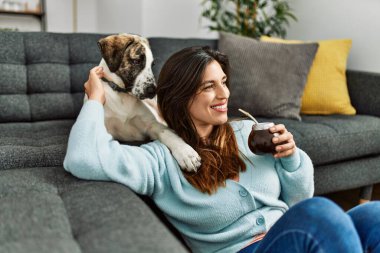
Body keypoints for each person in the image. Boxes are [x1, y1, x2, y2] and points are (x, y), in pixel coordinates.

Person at [64, 46, 380, 253]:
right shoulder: (160, 160)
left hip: (285, 235)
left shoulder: (247, 132)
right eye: (209, 86)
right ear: (181, 96)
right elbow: (82, 158)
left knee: (373, 213)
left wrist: (291, 158)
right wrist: (95, 99)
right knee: (320, 215)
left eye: (224, 81)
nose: (224, 93)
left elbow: (298, 200)